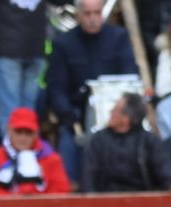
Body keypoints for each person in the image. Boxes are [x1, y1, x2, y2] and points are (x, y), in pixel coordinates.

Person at [45, 0, 137, 183]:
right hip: (77, 117)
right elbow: (56, 89)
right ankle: (69, 189)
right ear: (78, 15)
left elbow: (130, 77)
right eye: (87, 14)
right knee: (69, 147)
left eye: (97, 13)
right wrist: (70, 117)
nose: (93, 19)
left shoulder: (118, 38)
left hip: (116, 114)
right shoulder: (64, 44)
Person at [0, 0, 57, 133]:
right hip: (35, 47)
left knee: (10, 114)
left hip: (6, 50)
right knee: (28, 115)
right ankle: (26, 152)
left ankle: (14, 153)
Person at [83, 92, 171, 193]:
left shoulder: (149, 142)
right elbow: (88, 177)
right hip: (105, 201)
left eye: (115, 110)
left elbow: (166, 174)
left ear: (126, 118)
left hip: (142, 201)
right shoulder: (98, 141)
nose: (111, 112)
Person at [0, 107, 69, 195]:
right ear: (9, 130)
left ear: (36, 133)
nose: (23, 138)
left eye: (28, 133)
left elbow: (60, 191)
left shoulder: (51, 159)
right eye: (18, 132)